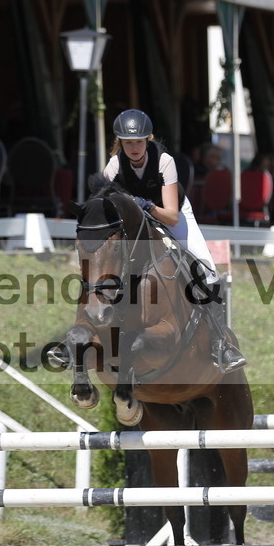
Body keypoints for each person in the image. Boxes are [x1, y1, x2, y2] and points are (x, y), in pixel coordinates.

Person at [101, 109, 245, 373]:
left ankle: (220, 344)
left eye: (139, 141)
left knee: (207, 270)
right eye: (128, 142)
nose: (134, 147)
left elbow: (171, 217)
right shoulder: (113, 166)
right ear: (120, 142)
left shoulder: (164, 161)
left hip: (171, 213)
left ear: (148, 140)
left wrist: (144, 204)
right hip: (135, 222)